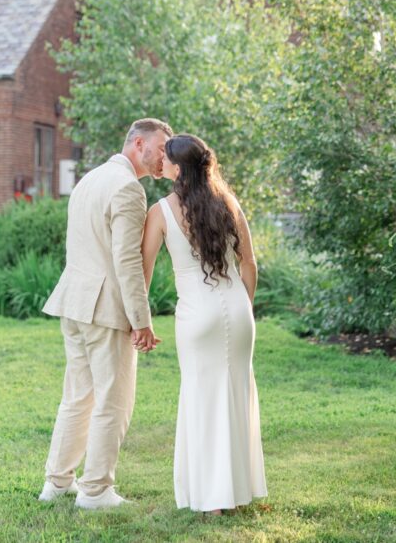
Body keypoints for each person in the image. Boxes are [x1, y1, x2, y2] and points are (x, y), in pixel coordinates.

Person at [39, 117, 173, 509]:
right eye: (160, 149)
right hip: (104, 308)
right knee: (113, 402)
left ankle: (57, 483)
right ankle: (96, 490)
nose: (164, 158)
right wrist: (141, 320)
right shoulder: (129, 189)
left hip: (75, 303)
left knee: (77, 397)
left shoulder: (89, 179)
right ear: (138, 143)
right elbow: (127, 261)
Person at [140, 133, 267, 514]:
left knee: (202, 399)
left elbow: (143, 271)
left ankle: (213, 500)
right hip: (238, 311)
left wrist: (139, 318)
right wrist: (243, 304)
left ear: (178, 169)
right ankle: (237, 492)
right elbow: (249, 264)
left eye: (166, 157)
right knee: (235, 395)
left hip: (198, 315)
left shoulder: (160, 212)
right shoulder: (228, 201)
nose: (161, 161)